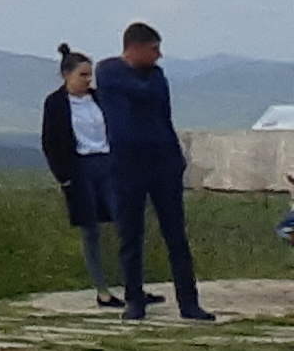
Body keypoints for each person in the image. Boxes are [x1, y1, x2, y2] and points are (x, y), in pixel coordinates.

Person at [91, 22, 218, 322]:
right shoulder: (108, 70)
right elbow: (140, 90)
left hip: (163, 162)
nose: (159, 56)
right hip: (127, 164)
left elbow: (153, 98)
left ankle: (189, 302)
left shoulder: (157, 75)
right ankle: (134, 300)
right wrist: (138, 88)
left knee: (175, 235)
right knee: (130, 235)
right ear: (134, 47)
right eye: (154, 49)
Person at [41, 49, 119, 306]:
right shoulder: (56, 104)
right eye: (82, 75)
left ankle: (134, 284)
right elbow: (51, 143)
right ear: (66, 75)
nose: (88, 80)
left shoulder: (100, 99)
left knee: (125, 223)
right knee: (91, 230)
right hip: (80, 168)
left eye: (90, 75)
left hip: (107, 164)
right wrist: (64, 178)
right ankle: (102, 290)